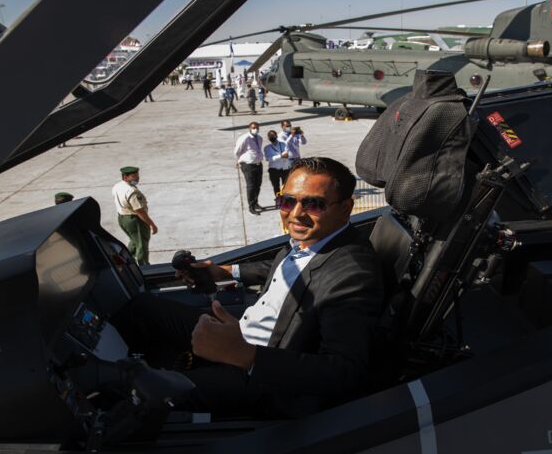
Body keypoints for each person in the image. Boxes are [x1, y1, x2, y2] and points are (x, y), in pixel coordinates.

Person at [111, 157, 384, 418]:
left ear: (346, 208)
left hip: (261, 378)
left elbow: (345, 371)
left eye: (314, 205)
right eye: (287, 201)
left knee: (143, 392)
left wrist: (246, 356)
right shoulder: (314, 241)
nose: (296, 214)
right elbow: (288, 268)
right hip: (239, 336)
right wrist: (224, 271)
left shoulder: (353, 273)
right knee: (142, 309)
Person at [112, 166, 158, 265]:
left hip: (122, 218)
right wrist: (152, 224)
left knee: (134, 240)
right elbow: (139, 211)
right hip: (135, 220)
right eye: (133, 176)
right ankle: (144, 267)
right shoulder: (131, 191)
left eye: (137, 175)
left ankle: (126, 259)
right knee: (141, 244)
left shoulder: (117, 186)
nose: (137, 178)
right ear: (125, 177)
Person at [234, 122, 264, 215]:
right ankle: (251, 207)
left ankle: (255, 203)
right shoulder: (244, 138)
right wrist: (241, 161)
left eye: (257, 128)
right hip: (248, 165)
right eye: (253, 128)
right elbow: (237, 151)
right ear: (249, 128)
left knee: (257, 185)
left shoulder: (259, 138)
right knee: (251, 186)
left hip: (258, 164)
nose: (255, 129)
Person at [264, 130, 291, 205]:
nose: (272, 137)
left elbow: (288, 153)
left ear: (276, 136)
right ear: (268, 138)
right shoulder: (267, 148)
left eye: (274, 135)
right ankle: (279, 199)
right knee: (276, 186)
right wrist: (280, 156)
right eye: (270, 136)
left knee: (285, 185)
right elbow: (268, 159)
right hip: (274, 170)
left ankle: (285, 199)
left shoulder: (284, 144)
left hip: (285, 168)